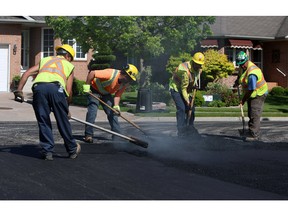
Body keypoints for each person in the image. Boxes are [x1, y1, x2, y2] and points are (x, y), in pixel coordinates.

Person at [13, 44, 81, 160]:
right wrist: (66, 109)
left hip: (39, 89)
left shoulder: (45, 60)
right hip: (57, 89)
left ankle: (47, 151)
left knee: (43, 121)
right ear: (68, 56)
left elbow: (26, 73)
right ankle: (72, 149)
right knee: (62, 121)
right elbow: (69, 91)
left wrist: (19, 90)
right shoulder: (68, 65)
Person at [83, 64, 139, 143]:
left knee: (113, 112)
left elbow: (117, 95)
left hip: (105, 93)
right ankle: (88, 135)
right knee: (93, 111)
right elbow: (92, 73)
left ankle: (117, 135)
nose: (129, 81)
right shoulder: (110, 74)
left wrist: (116, 106)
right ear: (125, 75)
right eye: (129, 79)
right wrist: (86, 86)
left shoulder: (124, 83)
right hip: (94, 90)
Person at [169, 52, 204, 137]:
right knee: (182, 108)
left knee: (191, 110)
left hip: (185, 90)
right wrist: (188, 101)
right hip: (176, 89)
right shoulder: (185, 71)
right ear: (193, 62)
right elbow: (183, 88)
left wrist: (194, 85)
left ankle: (189, 128)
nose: (198, 66)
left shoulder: (199, 69)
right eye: (197, 64)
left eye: (200, 65)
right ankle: (181, 131)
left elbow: (194, 79)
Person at [235, 51, 268, 141]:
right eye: (240, 64)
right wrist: (236, 83)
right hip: (252, 93)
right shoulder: (242, 67)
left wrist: (243, 100)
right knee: (250, 113)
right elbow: (240, 76)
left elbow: (251, 89)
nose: (241, 66)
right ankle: (250, 131)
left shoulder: (252, 73)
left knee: (254, 114)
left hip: (259, 93)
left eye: (242, 64)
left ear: (247, 60)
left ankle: (254, 134)